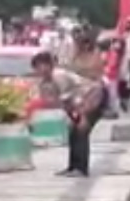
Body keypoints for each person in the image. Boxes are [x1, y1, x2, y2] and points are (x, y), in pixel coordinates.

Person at [31, 50, 104, 178]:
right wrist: (72, 117)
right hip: (78, 103)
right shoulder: (45, 83)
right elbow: (63, 103)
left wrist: (82, 117)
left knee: (81, 131)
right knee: (73, 132)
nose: (40, 70)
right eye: (37, 67)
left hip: (93, 97)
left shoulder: (59, 76)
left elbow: (75, 98)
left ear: (50, 65)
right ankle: (73, 167)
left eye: (43, 65)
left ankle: (81, 169)